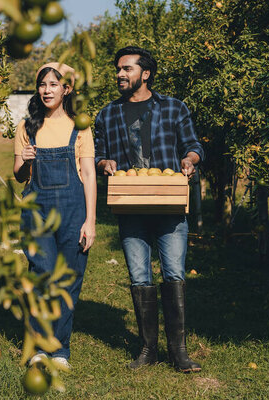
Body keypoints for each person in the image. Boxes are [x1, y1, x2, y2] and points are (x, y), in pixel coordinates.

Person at [94, 47, 204, 373]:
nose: (119, 74)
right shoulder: (107, 115)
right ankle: (148, 349)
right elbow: (99, 152)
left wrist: (189, 161)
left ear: (145, 74)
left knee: (173, 275)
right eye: (118, 69)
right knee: (140, 277)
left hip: (169, 204)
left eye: (126, 69)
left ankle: (178, 352)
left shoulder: (173, 107)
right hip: (130, 206)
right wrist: (104, 162)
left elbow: (194, 145)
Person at [13, 62, 97, 369]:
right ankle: (39, 346)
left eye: (53, 84)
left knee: (68, 281)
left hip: (74, 210)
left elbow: (88, 174)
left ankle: (60, 349)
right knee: (41, 276)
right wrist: (23, 160)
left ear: (67, 89)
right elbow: (19, 176)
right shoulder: (27, 127)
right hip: (37, 212)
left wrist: (91, 220)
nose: (47, 90)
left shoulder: (81, 126)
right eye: (42, 84)